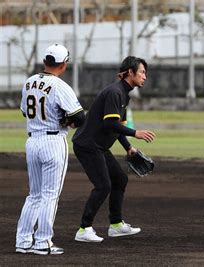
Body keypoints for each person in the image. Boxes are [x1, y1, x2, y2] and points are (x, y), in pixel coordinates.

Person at [72, 56, 156, 242]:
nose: (145, 76)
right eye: (142, 72)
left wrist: (129, 147)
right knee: (103, 186)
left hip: (99, 146)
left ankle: (116, 225)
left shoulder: (123, 94)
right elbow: (110, 123)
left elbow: (117, 127)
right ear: (130, 73)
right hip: (87, 145)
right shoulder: (115, 92)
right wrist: (136, 133)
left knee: (119, 179)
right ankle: (84, 229)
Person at [16, 44, 85, 255]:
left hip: (32, 141)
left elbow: (23, 112)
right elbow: (80, 117)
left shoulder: (29, 82)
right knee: (49, 195)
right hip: (53, 143)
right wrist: (65, 121)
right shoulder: (60, 86)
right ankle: (43, 242)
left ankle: (23, 240)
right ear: (64, 64)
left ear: (46, 62)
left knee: (34, 195)